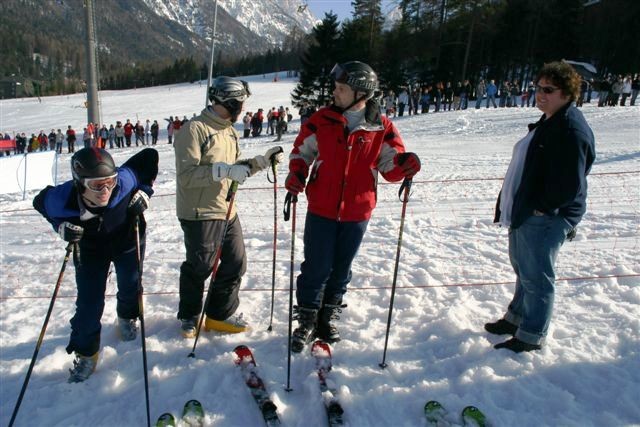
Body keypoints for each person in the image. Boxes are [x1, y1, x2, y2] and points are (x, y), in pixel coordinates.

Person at [284, 61, 421, 353]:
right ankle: (307, 318)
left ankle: (328, 313)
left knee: (342, 267)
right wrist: (297, 173)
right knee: (316, 266)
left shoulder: (381, 127)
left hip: (358, 211)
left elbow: (389, 165)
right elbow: (302, 151)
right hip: (321, 206)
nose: (335, 92)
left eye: (341, 88)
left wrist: (403, 165)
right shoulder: (321, 119)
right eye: (336, 86)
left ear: (361, 93)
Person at [486, 61, 596, 353]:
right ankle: (516, 318)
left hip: (545, 216)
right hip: (525, 212)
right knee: (524, 269)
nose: (541, 94)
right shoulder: (551, 121)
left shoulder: (570, 128)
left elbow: (570, 182)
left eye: (549, 89)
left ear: (567, 93)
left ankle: (531, 335)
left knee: (537, 277)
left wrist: (542, 208)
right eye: (538, 87)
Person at [33, 147, 159, 382]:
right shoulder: (61, 199)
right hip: (90, 250)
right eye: (96, 185)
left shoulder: (123, 181)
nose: (105, 190)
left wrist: (144, 191)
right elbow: (39, 202)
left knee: (131, 284)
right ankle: (86, 353)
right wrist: (59, 225)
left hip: (126, 240)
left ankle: (127, 316)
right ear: (79, 183)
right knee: (89, 304)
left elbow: (149, 156)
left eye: (109, 182)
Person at [174, 76, 283, 338]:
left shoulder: (228, 130)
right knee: (200, 266)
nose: (244, 109)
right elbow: (186, 176)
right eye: (241, 103)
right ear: (229, 102)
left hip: (227, 210)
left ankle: (218, 314)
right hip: (201, 213)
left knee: (236, 263)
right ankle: (190, 315)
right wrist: (224, 170)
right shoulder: (195, 129)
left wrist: (260, 162)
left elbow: (235, 170)